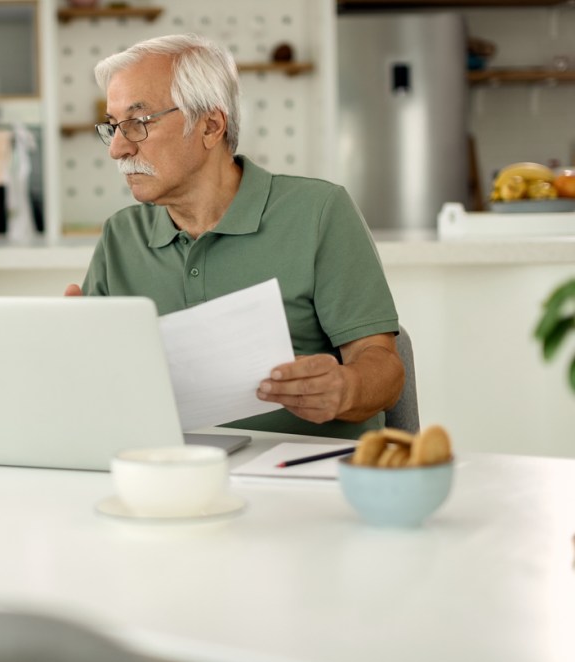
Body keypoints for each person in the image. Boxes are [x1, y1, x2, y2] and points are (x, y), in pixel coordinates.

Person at [66, 34, 403, 440]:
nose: (117, 149)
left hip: (305, 475)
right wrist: (74, 352)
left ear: (210, 126)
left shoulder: (318, 212)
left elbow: (384, 369)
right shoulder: (122, 235)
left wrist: (345, 388)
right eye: (114, 126)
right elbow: (101, 389)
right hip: (172, 475)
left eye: (137, 123)